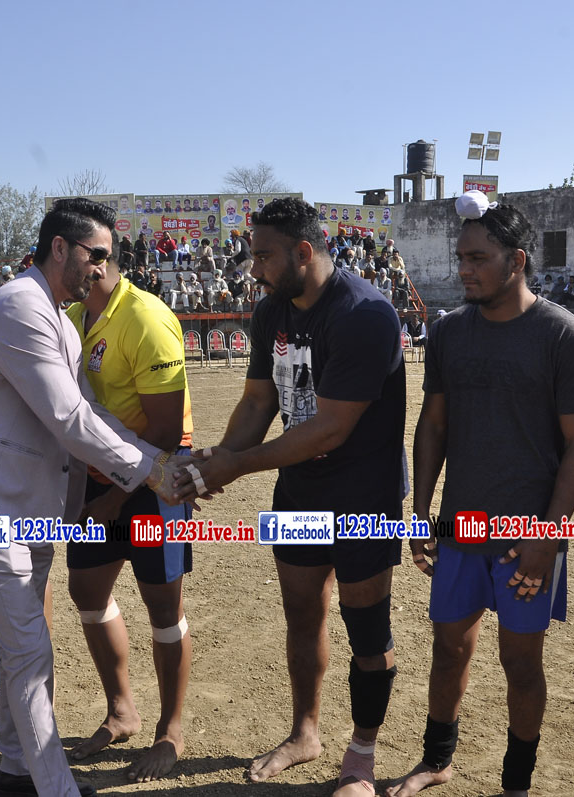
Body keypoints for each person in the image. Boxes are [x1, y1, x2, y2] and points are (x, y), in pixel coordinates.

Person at [0, 197, 185, 797]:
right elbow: (69, 419)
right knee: (29, 649)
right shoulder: (19, 305)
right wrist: (152, 472)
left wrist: (158, 463)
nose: (103, 267)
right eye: (96, 255)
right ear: (60, 247)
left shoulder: (58, 319)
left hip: (29, 508)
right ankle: (54, 789)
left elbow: (89, 412)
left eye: (109, 257)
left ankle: (18, 771)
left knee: (25, 651)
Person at [175, 198, 407, 796]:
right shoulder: (271, 310)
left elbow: (330, 429)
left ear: (304, 252)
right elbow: (259, 401)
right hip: (300, 492)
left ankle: (361, 758)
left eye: (264, 256)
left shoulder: (363, 315)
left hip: (364, 497)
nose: (253, 269)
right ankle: (306, 732)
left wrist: (235, 466)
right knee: (302, 614)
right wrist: (216, 463)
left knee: (367, 629)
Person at [388, 193, 574, 797]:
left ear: (517, 260)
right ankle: (437, 760)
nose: (464, 269)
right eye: (460, 257)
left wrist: (548, 537)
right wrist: (421, 514)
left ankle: (516, 784)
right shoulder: (449, 332)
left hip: (526, 541)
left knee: (521, 663)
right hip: (461, 529)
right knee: (448, 650)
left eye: (477, 258)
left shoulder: (563, 335)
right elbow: (433, 425)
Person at [64, 242, 196, 782]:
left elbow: (164, 432)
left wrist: (115, 498)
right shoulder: (73, 316)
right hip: (97, 481)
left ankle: (171, 730)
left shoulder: (146, 317)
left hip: (152, 482)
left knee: (162, 604)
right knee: (86, 589)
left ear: (93, 263)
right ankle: (122, 711)